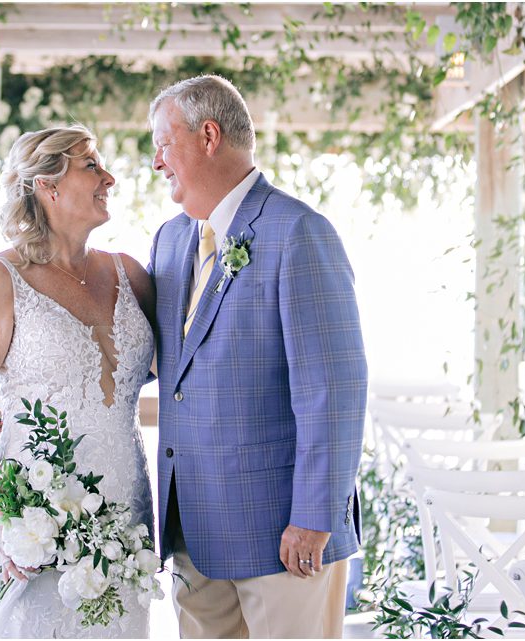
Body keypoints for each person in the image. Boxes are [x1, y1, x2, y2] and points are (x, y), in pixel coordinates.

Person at [147, 75, 368, 638]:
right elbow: (169, 366)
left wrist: (314, 519)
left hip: (284, 536)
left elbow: (333, 392)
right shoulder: (170, 242)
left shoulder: (299, 233)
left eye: (164, 143)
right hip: (194, 534)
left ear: (209, 136)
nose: (156, 162)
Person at [0, 125, 156, 638]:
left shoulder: (131, 274)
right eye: (91, 165)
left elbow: (175, 382)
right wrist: (8, 525)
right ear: (47, 185)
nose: (108, 177)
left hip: (126, 514)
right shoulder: (0, 280)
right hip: (38, 517)